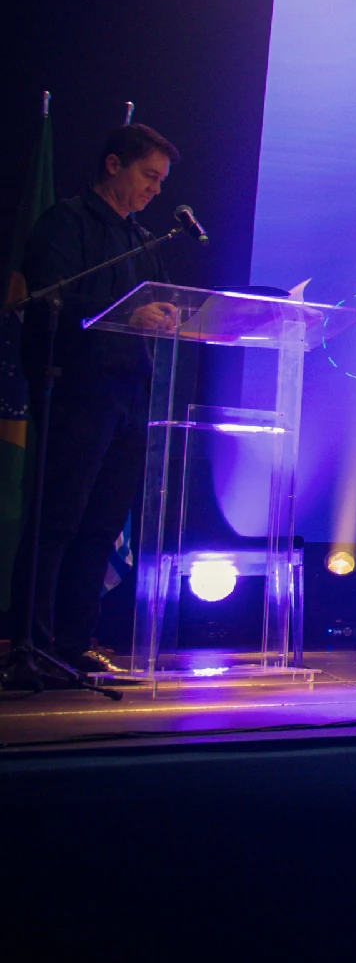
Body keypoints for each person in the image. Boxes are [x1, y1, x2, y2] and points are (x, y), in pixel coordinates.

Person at [9, 124, 182, 676]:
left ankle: (72, 643)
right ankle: (31, 645)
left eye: (161, 181)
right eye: (148, 176)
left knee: (102, 525)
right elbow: (50, 297)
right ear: (113, 164)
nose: (155, 190)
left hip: (132, 395)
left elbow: (160, 300)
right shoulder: (66, 222)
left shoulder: (142, 240)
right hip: (78, 391)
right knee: (58, 520)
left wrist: (170, 314)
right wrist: (130, 313)